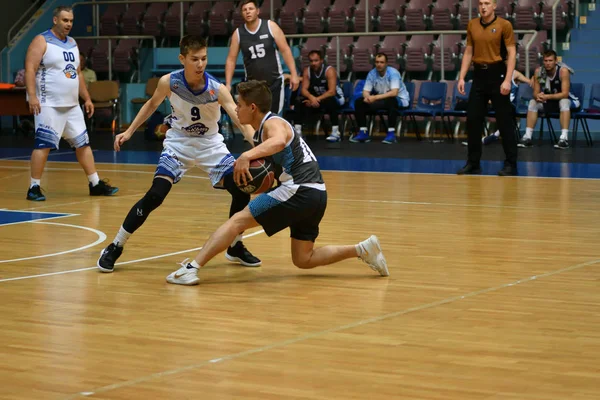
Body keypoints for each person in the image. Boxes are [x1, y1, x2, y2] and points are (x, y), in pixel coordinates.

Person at [165, 80, 389, 286]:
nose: (235, 109)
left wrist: (245, 156)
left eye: (240, 104)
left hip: (299, 189)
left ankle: (191, 269)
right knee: (303, 258)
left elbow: (279, 141)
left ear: (253, 107)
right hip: (316, 194)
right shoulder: (261, 131)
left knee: (236, 222)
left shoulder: (273, 123)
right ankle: (362, 250)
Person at [97, 35, 261, 273]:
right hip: (178, 144)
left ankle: (235, 245)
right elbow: (152, 104)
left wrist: (257, 146)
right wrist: (129, 131)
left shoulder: (217, 89)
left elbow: (241, 122)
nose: (200, 64)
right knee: (155, 194)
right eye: (194, 59)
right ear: (182, 59)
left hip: (210, 145)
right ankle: (115, 246)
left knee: (241, 187)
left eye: (204, 59)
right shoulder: (169, 82)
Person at [24, 5, 118, 201]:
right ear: (55, 20)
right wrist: (32, 96)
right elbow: (30, 69)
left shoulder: (73, 43)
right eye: (65, 20)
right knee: (43, 145)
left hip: (72, 105)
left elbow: (77, 73)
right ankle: (34, 187)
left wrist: (87, 98)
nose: (68, 24)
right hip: (48, 104)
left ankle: (95, 184)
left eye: (71, 21)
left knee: (83, 145)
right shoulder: (41, 40)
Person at [456, 0, 518, 176]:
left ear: (494, 6)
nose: (483, 7)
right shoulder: (472, 24)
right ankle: (473, 163)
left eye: (487, 3)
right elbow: (468, 51)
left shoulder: (504, 25)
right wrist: (461, 77)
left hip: (497, 73)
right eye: (481, 3)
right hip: (479, 75)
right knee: (473, 119)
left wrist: (507, 80)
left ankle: (511, 164)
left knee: (504, 121)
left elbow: (512, 53)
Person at [224, 0, 299, 115]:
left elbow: (285, 50)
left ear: (257, 11)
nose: (248, 12)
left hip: (274, 82)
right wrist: (228, 84)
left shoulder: (270, 26)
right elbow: (231, 59)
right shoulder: (238, 33)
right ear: (242, 14)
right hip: (253, 85)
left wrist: (294, 74)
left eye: (251, 9)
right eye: (245, 10)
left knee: (272, 117)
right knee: (255, 119)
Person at [519, 50, 579, 149]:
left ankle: (564, 139)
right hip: (550, 101)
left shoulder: (563, 71)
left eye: (550, 60)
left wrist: (547, 97)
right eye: (545, 60)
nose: (547, 63)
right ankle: (527, 137)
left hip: (569, 101)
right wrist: (538, 96)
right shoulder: (539, 72)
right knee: (533, 102)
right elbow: (535, 92)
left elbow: (565, 94)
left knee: (563, 102)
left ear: (556, 61)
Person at [350, 53, 410, 144]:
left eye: (382, 62)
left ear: (386, 63)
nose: (379, 64)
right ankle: (363, 132)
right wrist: (368, 98)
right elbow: (365, 91)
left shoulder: (393, 73)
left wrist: (375, 97)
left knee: (392, 101)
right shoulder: (372, 73)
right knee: (359, 102)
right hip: (382, 99)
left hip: (400, 100)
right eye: (377, 62)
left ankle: (391, 134)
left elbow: (394, 93)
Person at [461, 68, 531, 146]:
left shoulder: (515, 74)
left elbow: (530, 82)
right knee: (475, 108)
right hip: (492, 102)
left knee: (508, 111)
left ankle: (495, 135)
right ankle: (474, 139)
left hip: (508, 103)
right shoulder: (492, 72)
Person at [291, 50, 344, 142]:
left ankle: (336, 132)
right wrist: (311, 98)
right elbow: (303, 90)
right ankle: (298, 132)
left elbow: (332, 92)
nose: (313, 63)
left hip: (335, 98)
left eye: (316, 61)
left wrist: (315, 99)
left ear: (321, 60)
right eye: (311, 61)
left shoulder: (329, 70)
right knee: (299, 101)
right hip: (317, 99)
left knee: (330, 101)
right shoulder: (307, 71)